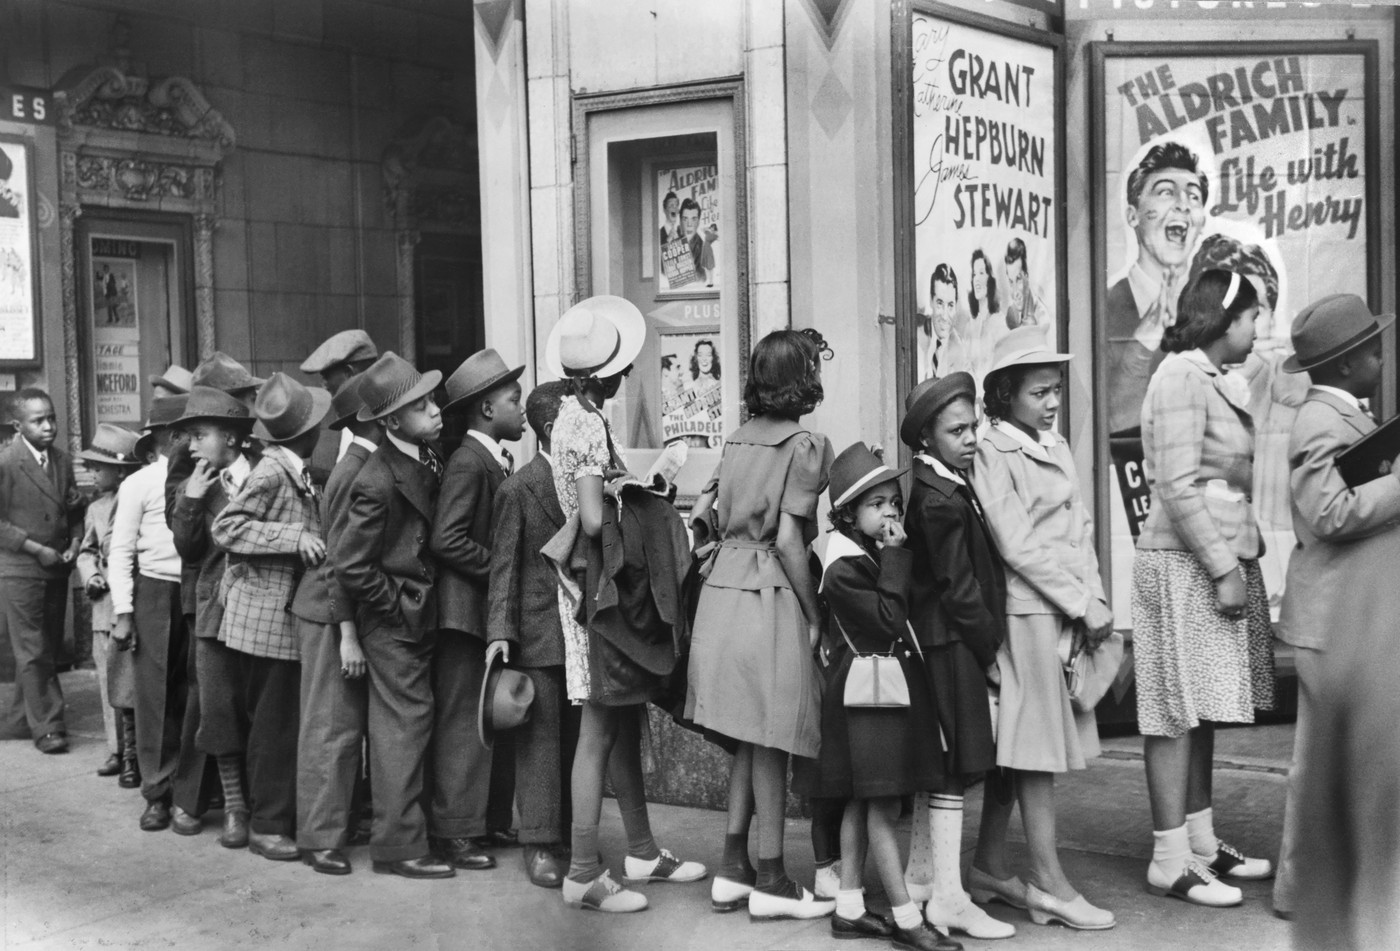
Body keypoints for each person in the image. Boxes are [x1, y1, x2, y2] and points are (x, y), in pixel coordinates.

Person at [545, 296, 705, 913]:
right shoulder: (584, 423)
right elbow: (589, 517)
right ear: (608, 374)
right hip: (598, 596)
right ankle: (584, 871)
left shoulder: (573, 415)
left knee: (618, 721)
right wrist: (631, 487)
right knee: (600, 727)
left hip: (594, 589)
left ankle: (640, 848)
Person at [1133, 269, 1275, 907]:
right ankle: (1169, 856)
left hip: (1206, 558)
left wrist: (1237, 557)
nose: (1257, 329)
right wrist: (1223, 566)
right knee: (1173, 709)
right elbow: (1176, 485)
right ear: (1222, 320)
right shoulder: (1181, 377)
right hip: (1182, 562)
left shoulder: (1209, 376)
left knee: (1205, 706)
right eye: (1251, 317)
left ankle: (1201, 842)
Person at [968, 325, 1115, 931]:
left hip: (1064, 608)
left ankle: (988, 864)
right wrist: (1082, 602)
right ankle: (1049, 884)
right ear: (1005, 396)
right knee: (1034, 752)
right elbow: (1017, 546)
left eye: (1055, 390)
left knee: (1024, 747)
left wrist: (1096, 597)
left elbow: (1079, 529)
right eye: (1039, 392)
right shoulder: (991, 451)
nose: (1052, 402)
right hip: (1027, 613)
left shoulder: (1051, 444)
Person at [687, 327, 835, 920]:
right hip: (768, 593)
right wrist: (814, 612)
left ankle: (732, 867)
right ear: (803, 380)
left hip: (721, 592)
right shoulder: (804, 446)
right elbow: (792, 542)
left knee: (748, 737)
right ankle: (771, 878)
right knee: (774, 736)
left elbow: (706, 513)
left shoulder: (735, 441)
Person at [1269, 295, 1399, 947]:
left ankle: (1307, 881)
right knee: (1321, 758)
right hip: (1329, 615)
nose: (1382, 357)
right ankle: (1303, 885)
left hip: (1337, 611)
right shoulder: (1320, 421)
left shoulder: (1338, 411)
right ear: (1349, 364)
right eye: (1375, 350)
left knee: (1322, 755)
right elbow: (1330, 512)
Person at [814, 443, 956, 951]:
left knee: (862, 797)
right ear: (849, 515)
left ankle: (849, 906)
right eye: (876, 505)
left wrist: (892, 555)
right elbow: (889, 622)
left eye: (894, 501)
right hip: (866, 699)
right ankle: (905, 917)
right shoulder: (844, 566)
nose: (891, 511)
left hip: (872, 696)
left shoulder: (867, 555)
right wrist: (896, 556)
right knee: (882, 804)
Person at [330, 351, 456, 880]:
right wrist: (398, 607)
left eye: (430, 398)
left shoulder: (426, 457)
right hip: (396, 624)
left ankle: (409, 836)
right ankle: (399, 847)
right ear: (389, 422)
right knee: (402, 728)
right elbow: (350, 564)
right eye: (419, 405)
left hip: (416, 617)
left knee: (413, 724)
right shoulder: (377, 478)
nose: (433, 410)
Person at [900, 373, 1015, 941]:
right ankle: (948, 897)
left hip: (939, 640)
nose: (970, 438)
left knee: (938, 766)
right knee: (954, 770)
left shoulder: (936, 481)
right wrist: (989, 651)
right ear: (926, 437)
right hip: (951, 642)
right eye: (956, 430)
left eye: (974, 427)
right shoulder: (941, 497)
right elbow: (959, 587)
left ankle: (922, 878)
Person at [212, 373, 334, 862]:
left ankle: (278, 817)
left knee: (279, 721)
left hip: (276, 618)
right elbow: (227, 526)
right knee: (272, 726)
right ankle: (266, 826)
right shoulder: (270, 473)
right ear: (303, 433)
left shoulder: (292, 468)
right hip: (263, 621)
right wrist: (292, 538)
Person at [427, 348, 527, 872]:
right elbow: (448, 539)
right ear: (487, 410)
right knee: (465, 723)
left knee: (486, 721)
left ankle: (484, 821)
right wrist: (502, 570)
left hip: (480, 614)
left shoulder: (486, 457)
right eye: (513, 400)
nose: (522, 407)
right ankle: (455, 831)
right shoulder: (470, 461)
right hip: (463, 615)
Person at [486, 380, 575, 888]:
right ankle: (539, 843)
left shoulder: (586, 481)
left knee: (574, 738)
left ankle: (565, 833)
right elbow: (503, 567)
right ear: (550, 430)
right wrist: (500, 631)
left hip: (582, 633)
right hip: (540, 632)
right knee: (540, 741)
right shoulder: (518, 488)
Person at [291, 372, 378, 875]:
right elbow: (341, 562)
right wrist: (347, 634)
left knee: (340, 726)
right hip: (327, 612)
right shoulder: (352, 470)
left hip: (334, 609)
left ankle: (333, 824)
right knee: (330, 728)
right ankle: (319, 837)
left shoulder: (359, 464)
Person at [168, 386, 258, 848]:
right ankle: (236, 808)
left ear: (233, 437)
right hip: (214, 611)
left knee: (262, 708)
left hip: (264, 609)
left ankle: (266, 803)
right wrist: (190, 501)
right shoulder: (195, 484)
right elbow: (188, 551)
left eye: (200, 435)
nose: (191, 445)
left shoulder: (267, 471)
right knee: (218, 709)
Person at [110, 396, 192, 830]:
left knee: (195, 691)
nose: (192, 440)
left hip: (198, 589)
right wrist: (123, 613)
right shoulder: (139, 483)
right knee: (155, 693)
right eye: (186, 432)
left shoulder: (203, 476)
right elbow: (120, 550)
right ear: (168, 437)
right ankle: (158, 792)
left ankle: (193, 792)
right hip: (156, 593)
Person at [1105, 141, 1210, 436]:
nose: (1182, 204)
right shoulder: (1101, 312)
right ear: (1133, 215)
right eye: (1165, 191)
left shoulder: (1216, 310)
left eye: (1194, 195)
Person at [0, 388, 83, 755]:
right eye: (38, 421)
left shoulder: (62, 460)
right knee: (33, 648)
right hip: (21, 569)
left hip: (57, 568)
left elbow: (73, 509)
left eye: (52, 418)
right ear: (17, 426)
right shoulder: (6, 462)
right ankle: (48, 726)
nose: (49, 426)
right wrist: (35, 548)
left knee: (43, 647)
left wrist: (76, 543)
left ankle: (20, 720)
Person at [76, 423, 145, 776]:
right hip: (104, 608)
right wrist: (92, 575)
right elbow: (86, 550)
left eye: (97, 467)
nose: (91, 473)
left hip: (134, 606)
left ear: (120, 471)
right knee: (107, 679)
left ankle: (138, 753)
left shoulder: (141, 498)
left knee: (134, 680)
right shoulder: (96, 509)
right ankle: (117, 750)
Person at [918, 264, 972, 383]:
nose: (945, 315)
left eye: (950, 305)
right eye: (940, 303)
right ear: (931, 301)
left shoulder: (961, 353)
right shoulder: (917, 335)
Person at [1002, 238, 1047, 331]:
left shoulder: (1042, 317)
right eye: (1011, 282)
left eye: (1018, 280)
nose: (1015, 292)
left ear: (1026, 276)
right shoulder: (1010, 317)